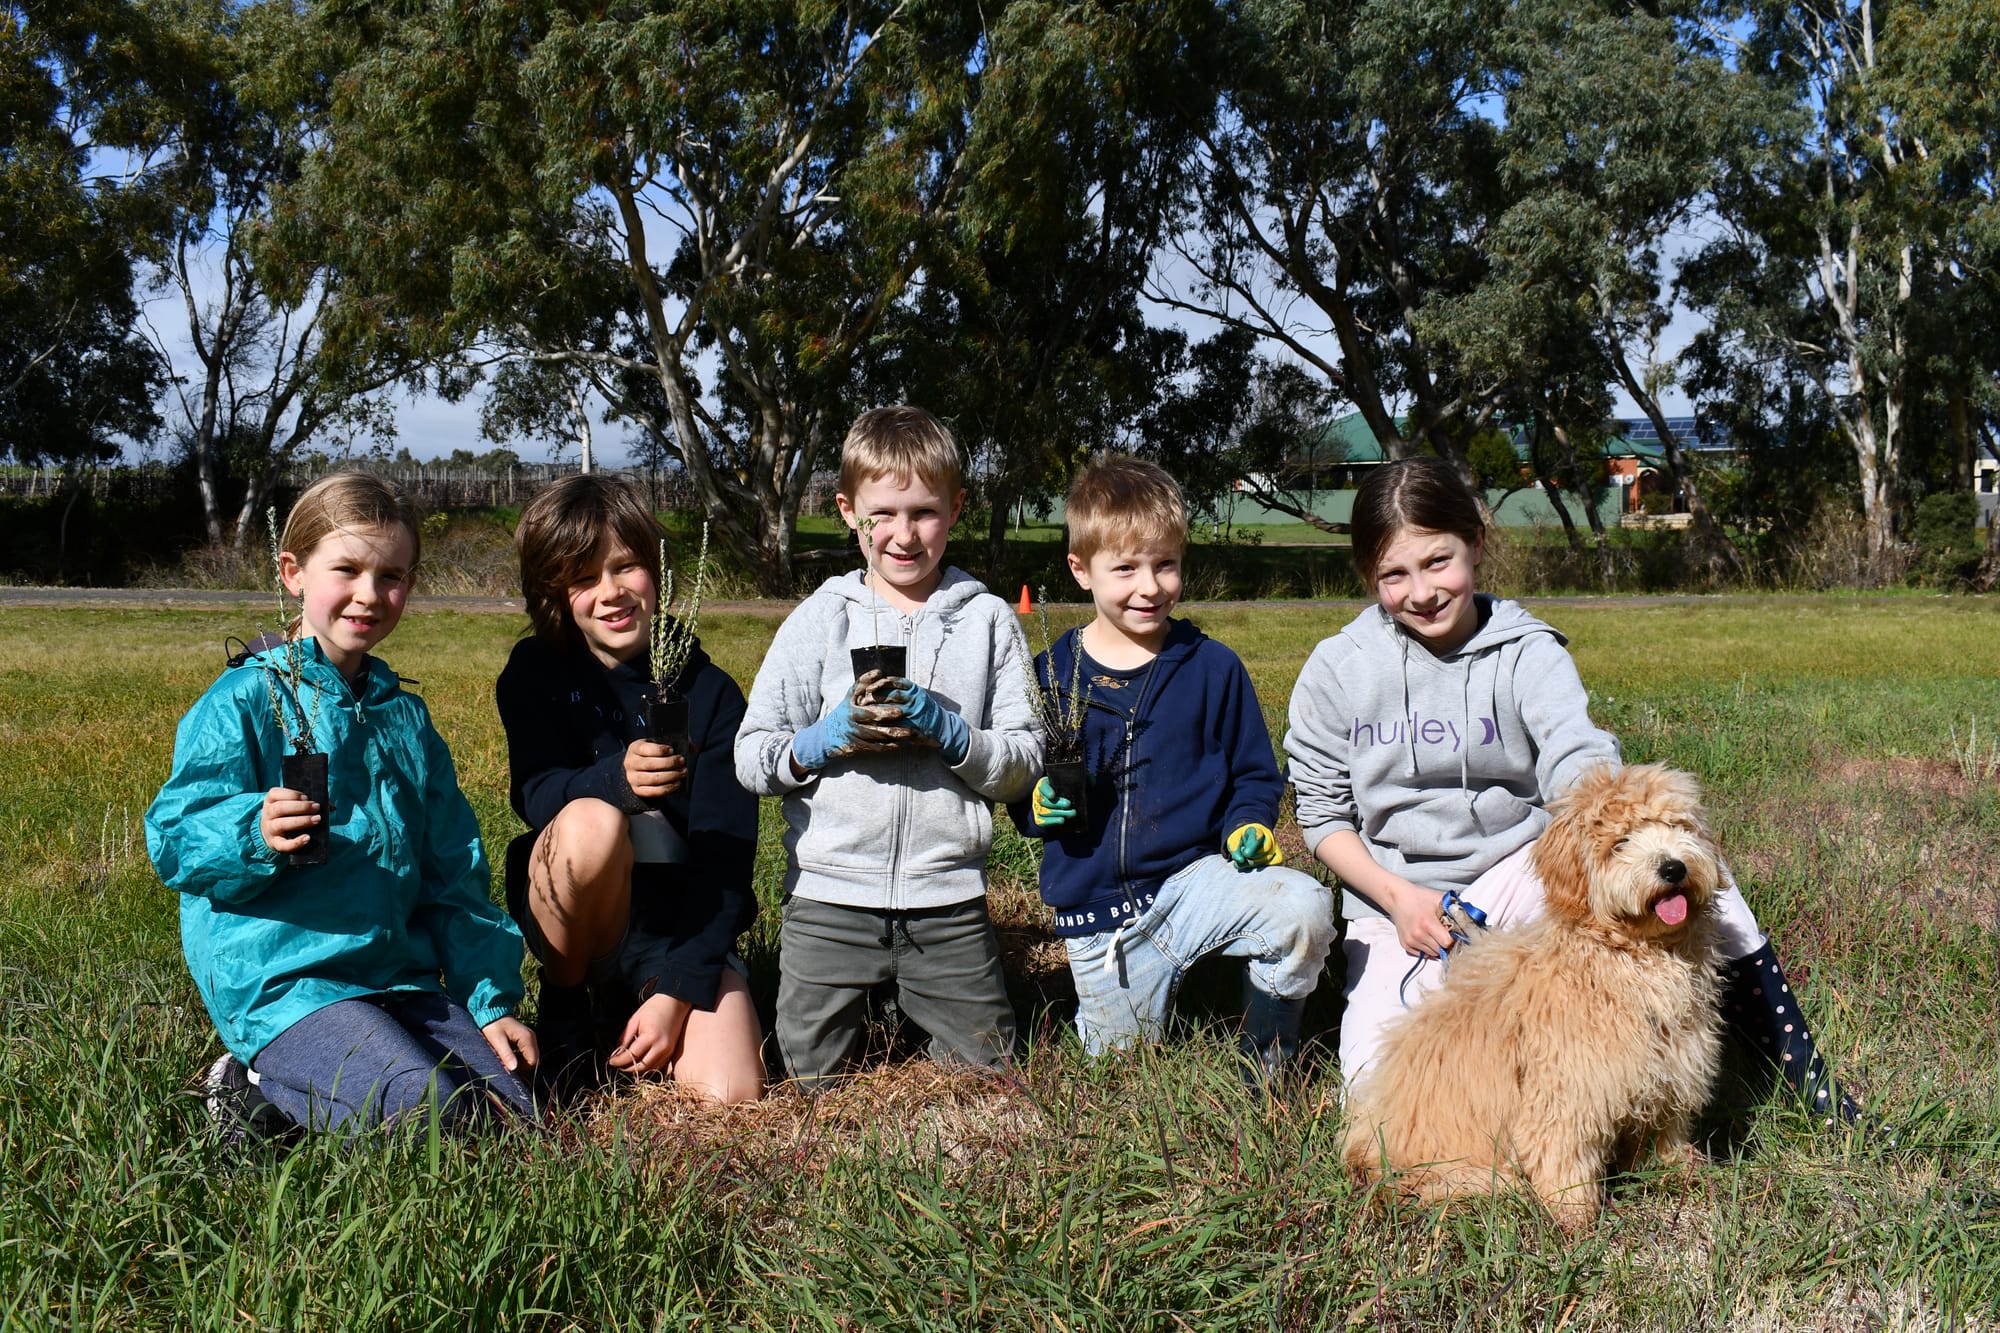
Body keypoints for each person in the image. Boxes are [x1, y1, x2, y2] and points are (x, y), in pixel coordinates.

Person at [1284, 455, 1872, 1130]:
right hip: (1401, 900)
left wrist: (1611, 813)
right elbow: (1323, 815)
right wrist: (1397, 899)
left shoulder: (1528, 650)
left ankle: (1802, 1077)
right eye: (1395, 574)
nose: (1421, 590)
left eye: (1438, 561)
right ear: (1369, 577)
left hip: (1522, 876)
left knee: (1699, 869)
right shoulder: (1337, 669)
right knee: (1376, 1104)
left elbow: (1578, 756)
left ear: (1475, 543)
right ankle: (1530, 1120)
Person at [147, 471, 535, 1140]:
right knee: (430, 1115)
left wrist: (489, 999)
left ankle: (324, 1089)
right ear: (293, 572)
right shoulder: (243, 700)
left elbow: (453, 877)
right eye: (347, 568)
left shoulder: (405, 720)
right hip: (286, 981)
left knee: (518, 1115)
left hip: (398, 977)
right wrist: (252, 830)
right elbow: (173, 837)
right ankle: (250, 1082)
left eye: (391, 575)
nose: (369, 593)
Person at [735, 406, 1040, 1087]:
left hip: (946, 894)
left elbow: (1024, 761)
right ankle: (869, 1001)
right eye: (884, 513)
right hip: (830, 894)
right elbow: (751, 754)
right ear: (848, 510)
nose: (904, 535)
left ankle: (917, 1002)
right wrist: (822, 740)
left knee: (988, 1076)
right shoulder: (820, 616)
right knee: (809, 1077)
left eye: (925, 512)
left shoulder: (987, 620)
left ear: (957, 509)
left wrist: (956, 735)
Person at [1010, 456, 1335, 1088]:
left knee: (1302, 906)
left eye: (1165, 564)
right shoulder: (1050, 673)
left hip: (1196, 882)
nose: (1149, 586)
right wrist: (1032, 806)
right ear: (1080, 570)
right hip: (1100, 914)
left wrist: (1248, 823)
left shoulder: (1212, 667)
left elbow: (1255, 773)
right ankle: (1163, 994)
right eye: (1125, 568)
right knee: (1119, 1073)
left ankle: (1265, 1069)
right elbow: (1025, 777)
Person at [497, 474, 765, 1105]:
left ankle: (644, 999)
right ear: (554, 593)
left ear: (658, 569)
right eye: (584, 577)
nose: (611, 593)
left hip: (678, 926)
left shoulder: (712, 692)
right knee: (592, 822)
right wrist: (613, 782)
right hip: (582, 916)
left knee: (732, 1093)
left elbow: (727, 860)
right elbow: (535, 796)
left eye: (627, 567)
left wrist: (677, 992)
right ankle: (566, 1000)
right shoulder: (534, 672)